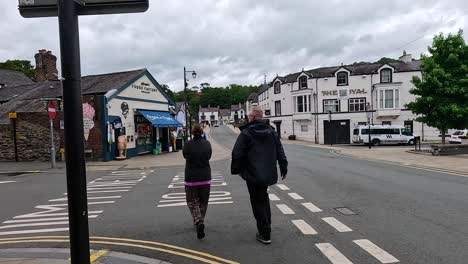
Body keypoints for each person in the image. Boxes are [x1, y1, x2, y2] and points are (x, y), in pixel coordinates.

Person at [231, 106, 288, 244]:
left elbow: (236, 153)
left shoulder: (246, 133)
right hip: (268, 172)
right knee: (263, 198)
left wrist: (236, 170)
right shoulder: (271, 132)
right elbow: (280, 150)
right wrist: (283, 166)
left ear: (254, 117)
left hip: (252, 173)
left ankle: (265, 233)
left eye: (249, 115)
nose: (248, 117)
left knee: (257, 201)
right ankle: (267, 225)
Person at [183, 124, 213, 239]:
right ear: (202, 132)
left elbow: (185, 156)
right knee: (203, 201)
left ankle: (198, 220)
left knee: (192, 201)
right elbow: (209, 156)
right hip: (205, 177)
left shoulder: (187, 144)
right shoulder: (207, 144)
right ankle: (200, 220)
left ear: (192, 133)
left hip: (191, 177)